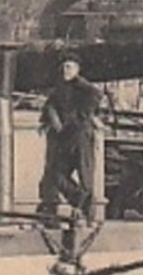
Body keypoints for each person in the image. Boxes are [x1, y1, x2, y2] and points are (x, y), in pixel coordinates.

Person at [38, 54, 105, 217]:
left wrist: (78, 117)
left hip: (82, 137)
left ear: (77, 69)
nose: (64, 71)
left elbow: (96, 96)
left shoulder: (84, 87)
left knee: (86, 176)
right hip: (65, 140)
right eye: (63, 67)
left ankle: (88, 215)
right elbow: (49, 107)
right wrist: (46, 122)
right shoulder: (59, 89)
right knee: (55, 174)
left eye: (69, 67)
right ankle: (77, 198)